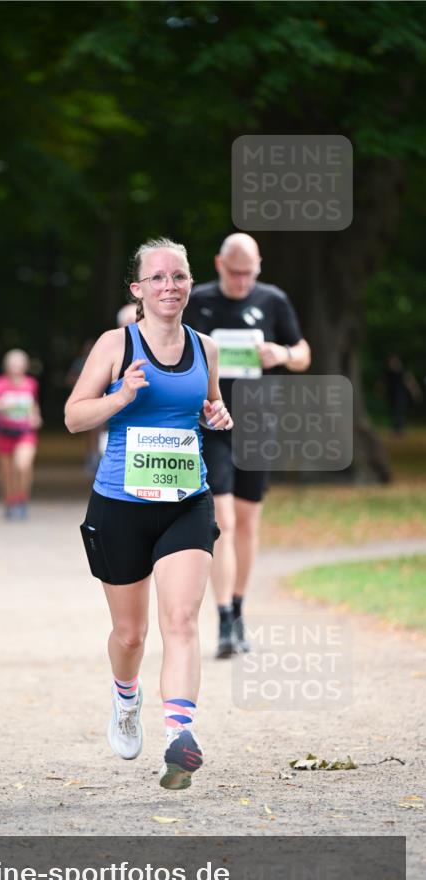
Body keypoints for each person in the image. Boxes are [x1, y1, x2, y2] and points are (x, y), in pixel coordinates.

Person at [65, 237, 232, 792]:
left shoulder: (205, 347)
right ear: (138, 289)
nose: (169, 286)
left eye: (179, 276)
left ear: (190, 284)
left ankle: (179, 735)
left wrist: (216, 415)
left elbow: (206, 406)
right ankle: (125, 696)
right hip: (120, 505)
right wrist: (120, 396)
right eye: (157, 278)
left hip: (186, 499)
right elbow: (72, 416)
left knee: (181, 621)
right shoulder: (116, 343)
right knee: (131, 634)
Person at [184, 233, 311, 658]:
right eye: (234, 272)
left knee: (247, 522)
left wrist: (282, 354)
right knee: (221, 519)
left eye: (249, 273)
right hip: (213, 423)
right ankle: (221, 618)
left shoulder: (273, 300)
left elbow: (303, 353)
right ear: (219, 263)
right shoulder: (198, 301)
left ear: (259, 267)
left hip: (259, 425)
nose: (241, 281)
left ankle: (238, 608)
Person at [0, 349, 41, 519]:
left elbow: (33, 406)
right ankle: (10, 502)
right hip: (4, 432)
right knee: (6, 472)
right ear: (6, 365)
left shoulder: (31, 383)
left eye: (19, 363)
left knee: (22, 466)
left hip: (25, 433)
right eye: (12, 363)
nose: (15, 366)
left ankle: (22, 499)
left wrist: (36, 417)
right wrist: (3, 405)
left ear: (25, 365)